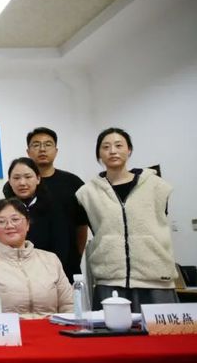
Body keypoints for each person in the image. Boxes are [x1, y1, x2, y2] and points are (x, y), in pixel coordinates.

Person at [76, 128, 180, 311]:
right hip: (110, 281)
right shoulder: (87, 193)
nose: (113, 151)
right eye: (106, 147)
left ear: (129, 149)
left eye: (119, 145)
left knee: (161, 329)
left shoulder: (157, 185)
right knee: (111, 330)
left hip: (155, 281)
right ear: (99, 153)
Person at [0, 199, 74, 317]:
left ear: (27, 224)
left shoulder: (50, 260)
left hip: (51, 327)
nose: (9, 225)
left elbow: (69, 305)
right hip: (8, 328)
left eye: (15, 219)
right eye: (1, 221)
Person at [24, 127, 88, 281]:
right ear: (28, 152)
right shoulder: (19, 185)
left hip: (67, 265)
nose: (42, 149)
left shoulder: (73, 183)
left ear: (56, 150)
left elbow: (82, 226)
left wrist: (76, 256)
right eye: (36, 145)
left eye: (48, 144)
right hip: (29, 267)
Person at [2, 158, 69, 271]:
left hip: (48, 271)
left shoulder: (54, 208)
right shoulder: (2, 210)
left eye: (28, 177)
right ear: (9, 181)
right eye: (16, 178)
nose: (22, 183)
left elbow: (62, 247)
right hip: (10, 272)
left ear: (38, 179)